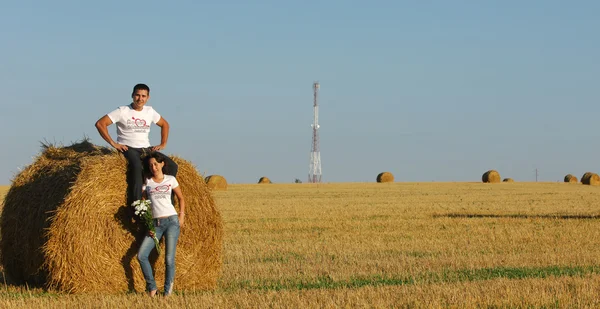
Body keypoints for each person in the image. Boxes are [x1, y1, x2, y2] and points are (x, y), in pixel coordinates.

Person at [95, 83, 178, 206]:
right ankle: (137, 205)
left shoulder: (150, 111)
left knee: (172, 166)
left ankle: (167, 201)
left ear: (148, 97)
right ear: (132, 96)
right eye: (137, 95)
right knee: (137, 168)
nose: (140, 99)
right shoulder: (122, 111)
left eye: (143, 96)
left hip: (146, 149)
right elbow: (100, 124)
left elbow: (165, 124)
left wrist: (163, 143)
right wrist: (113, 143)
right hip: (129, 148)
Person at [137, 152, 185, 297]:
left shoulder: (170, 179)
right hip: (155, 224)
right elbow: (144, 204)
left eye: (156, 164)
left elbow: (181, 198)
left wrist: (181, 216)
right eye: (151, 165)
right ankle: (152, 288)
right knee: (141, 255)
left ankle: (167, 292)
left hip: (171, 221)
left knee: (169, 259)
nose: (153, 167)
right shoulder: (147, 182)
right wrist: (147, 223)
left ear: (162, 164)